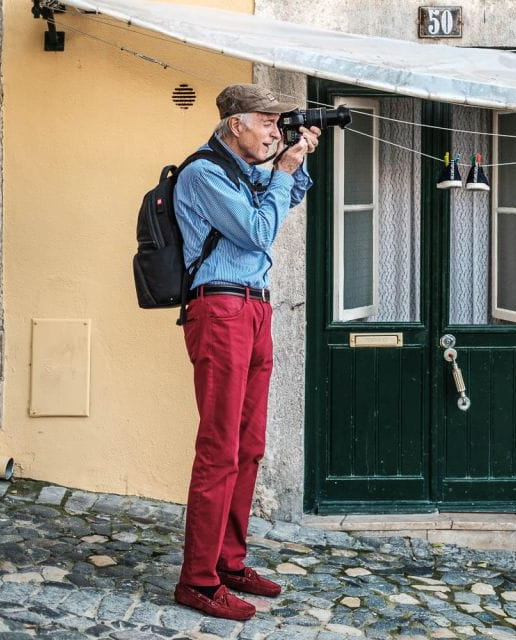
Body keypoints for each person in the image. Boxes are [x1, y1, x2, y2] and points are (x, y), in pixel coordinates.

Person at [171, 83, 321, 621]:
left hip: (255, 310)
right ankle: (198, 580)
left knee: (249, 445)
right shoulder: (204, 174)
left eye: (280, 124)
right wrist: (282, 174)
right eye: (267, 122)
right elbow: (260, 231)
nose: (274, 132)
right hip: (220, 311)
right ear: (235, 123)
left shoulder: (247, 172)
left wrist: (294, 161)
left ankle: (230, 562)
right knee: (219, 449)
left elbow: (286, 198)